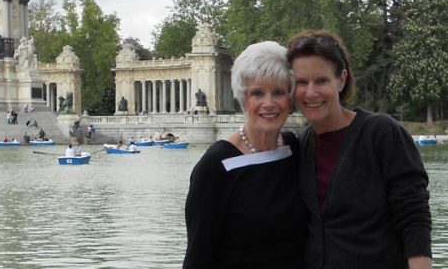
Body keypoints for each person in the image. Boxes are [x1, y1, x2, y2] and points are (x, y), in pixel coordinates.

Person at [287, 30, 432, 269]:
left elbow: (414, 218)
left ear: (341, 79)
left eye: (321, 80)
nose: (310, 92)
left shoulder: (381, 133)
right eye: (301, 82)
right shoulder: (301, 145)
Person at [183, 41, 305, 268]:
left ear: (290, 98)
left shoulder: (293, 148)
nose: (269, 103)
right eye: (257, 93)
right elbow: (198, 256)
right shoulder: (216, 165)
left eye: (278, 92)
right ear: (242, 99)